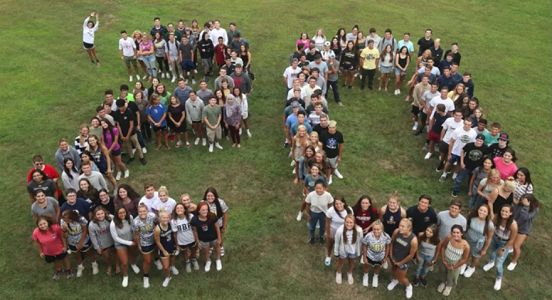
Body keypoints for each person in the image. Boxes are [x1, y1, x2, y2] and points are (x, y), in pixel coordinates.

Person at [482, 205, 518, 290]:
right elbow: (491, 225)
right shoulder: (497, 216)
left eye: (506, 212)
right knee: (491, 252)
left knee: (499, 264)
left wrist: (503, 249)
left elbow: (512, 240)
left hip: (504, 242)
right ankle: (491, 263)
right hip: (495, 238)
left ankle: (498, 278)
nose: (504, 213)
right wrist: (488, 235)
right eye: (503, 211)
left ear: (511, 213)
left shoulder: (513, 225)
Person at [61, 210, 98, 277]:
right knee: (76, 255)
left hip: (83, 240)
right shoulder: (63, 222)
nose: (66, 221)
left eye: (68, 220)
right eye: (65, 220)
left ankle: (94, 264)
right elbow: (64, 236)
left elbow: (85, 231)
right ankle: (80, 267)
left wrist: (81, 242)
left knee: (89, 253)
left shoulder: (81, 219)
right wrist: (64, 230)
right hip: (71, 242)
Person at [133, 204, 162, 288]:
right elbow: (137, 235)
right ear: (138, 212)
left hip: (154, 239)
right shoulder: (136, 222)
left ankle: (156, 260)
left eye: (144, 211)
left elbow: (158, 222)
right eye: (140, 212)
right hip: (144, 242)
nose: (142, 213)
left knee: (156, 251)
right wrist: (138, 245)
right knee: (147, 261)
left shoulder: (152, 216)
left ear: (147, 211)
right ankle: (145, 276)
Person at [387, 219, 418, 299]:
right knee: (394, 271)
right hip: (394, 257)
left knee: (401, 277)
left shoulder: (413, 240)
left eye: (403, 226)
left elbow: (411, 255)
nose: (400, 228)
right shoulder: (396, 231)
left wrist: (401, 262)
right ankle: (395, 280)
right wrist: (390, 255)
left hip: (403, 261)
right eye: (400, 225)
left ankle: (408, 286)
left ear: (409, 228)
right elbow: (392, 242)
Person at [110, 206, 140, 287]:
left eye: (124, 212)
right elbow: (115, 238)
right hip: (120, 243)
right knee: (124, 262)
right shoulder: (113, 223)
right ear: (116, 214)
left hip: (130, 239)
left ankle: (133, 264)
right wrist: (129, 243)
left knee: (132, 254)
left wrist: (134, 238)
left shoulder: (130, 217)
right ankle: (125, 276)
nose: (122, 214)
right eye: (120, 213)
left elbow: (133, 228)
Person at [437, 225, 470, 296]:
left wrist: (453, 267)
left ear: (461, 233)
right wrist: (443, 259)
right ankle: (443, 282)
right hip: (445, 258)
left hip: (456, 262)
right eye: (453, 232)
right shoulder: (449, 238)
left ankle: (449, 286)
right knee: (443, 271)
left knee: (452, 275)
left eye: (457, 233)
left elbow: (464, 260)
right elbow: (443, 248)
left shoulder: (466, 246)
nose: (455, 234)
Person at [463, 204, 494, 278]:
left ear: (487, 213)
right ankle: (463, 263)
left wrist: (484, 249)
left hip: (478, 244)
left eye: (484, 211)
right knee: (466, 253)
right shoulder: (472, 217)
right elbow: (467, 226)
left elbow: (489, 238)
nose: (482, 212)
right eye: (480, 210)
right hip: (468, 239)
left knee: (475, 256)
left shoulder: (489, 224)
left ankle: (471, 267)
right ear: (478, 210)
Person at [509, 194, 539, 270]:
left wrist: (526, 207)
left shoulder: (535, 209)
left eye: (525, 200)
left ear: (530, 202)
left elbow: (524, 217)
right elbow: (513, 213)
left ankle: (514, 262)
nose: (522, 201)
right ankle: (510, 248)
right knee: (510, 240)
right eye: (522, 199)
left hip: (523, 229)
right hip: (515, 226)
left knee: (516, 246)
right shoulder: (519, 204)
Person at [191, 202, 222, 271]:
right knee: (206, 251)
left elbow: (217, 227)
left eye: (206, 209)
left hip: (214, 237)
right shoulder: (194, 220)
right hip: (203, 239)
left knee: (217, 248)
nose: (205, 211)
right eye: (203, 210)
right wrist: (197, 241)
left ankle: (218, 260)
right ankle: (208, 261)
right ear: (198, 211)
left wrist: (219, 238)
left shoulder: (212, 216)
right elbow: (195, 231)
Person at [113, 100, 147, 165]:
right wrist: (122, 135)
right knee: (128, 146)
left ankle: (142, 157)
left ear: (124, 105)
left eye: (122, 107)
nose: (121, 109)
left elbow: (131, 126)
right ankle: (131, 157)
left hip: (132, 133)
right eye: (119, 107)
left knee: (137, 144)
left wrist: (128, 136)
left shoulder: (129, 112)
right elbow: (118, 125)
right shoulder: (116, 113)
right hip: (123, 134)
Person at [89, 206, 119, 276]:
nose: (100, 216)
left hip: (112, 240)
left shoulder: (110, 218)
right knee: (107, 256)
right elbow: (93, 237)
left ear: (105, 213)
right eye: (98, 214)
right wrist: (97, 247)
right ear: (95, 216)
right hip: (102, 243)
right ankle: (109, 265)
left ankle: (117, 264)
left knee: (115, 253)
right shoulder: (92, 225)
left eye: (102, 213)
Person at [334, 215, 363, 284]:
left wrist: (359, 251)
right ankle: (339, 273)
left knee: (352, 262)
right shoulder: (339, 231)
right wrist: (336, 252)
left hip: (353, 250)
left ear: (354, 223)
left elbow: (360, 242)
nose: (349, 224)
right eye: (347, 222)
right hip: (343, 250)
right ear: (344, 222)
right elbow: (337, 242)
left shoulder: (359, 230)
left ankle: (349, 273)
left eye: (351, 222)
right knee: (341, 262)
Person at [361, 220, 390, 287]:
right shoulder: (368, 236)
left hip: (380, 256)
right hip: (370, 255)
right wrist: (364, 257)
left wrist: (385, 257)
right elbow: (364, 246)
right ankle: (365, 275)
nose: (376, 231)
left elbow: (388, 246)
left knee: (378, 266)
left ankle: (375, 276)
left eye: (378, 229)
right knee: (367, 265)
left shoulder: (386, 236)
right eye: (374, 229)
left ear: (382, 229)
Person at [324, 196, 353, 266]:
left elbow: (352, 221)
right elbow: (327, 223)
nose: (339, 205)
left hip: (344, 230)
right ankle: (328, 256)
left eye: (340, 203)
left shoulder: (349, 210)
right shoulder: (331, 211)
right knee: (330, 243)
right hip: (333, 229)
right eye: (336, 204)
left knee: (342, 244)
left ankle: (339, 255)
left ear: (343, 203)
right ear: (334, 204)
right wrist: (328, 233)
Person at [172, 202, 200, 273]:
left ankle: (194, 260)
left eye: (181, 208)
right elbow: (174, 234)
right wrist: (177, 244)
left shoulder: (190, 216)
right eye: (177, 208)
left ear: (184, 209)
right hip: (182, 241)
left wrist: (197, 239)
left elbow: (195, 229)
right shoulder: (173, 221)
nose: (179, 209)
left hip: (192, 239)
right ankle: (187, 262)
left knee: (193, 250)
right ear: (175, 210)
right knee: (184, 252)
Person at [201, 187, 229, 256]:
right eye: (208, 196)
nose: (210, 197)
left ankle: (220, 247)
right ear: (205, 196)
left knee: (219, 236)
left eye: (212, 196)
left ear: (215, 196)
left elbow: (225, 214)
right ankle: (210, 247)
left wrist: (224, 226)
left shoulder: (220, 202)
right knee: (209, 237)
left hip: (219, 224)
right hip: (207, 225)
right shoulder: (202, 203)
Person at [305, 180, 334, 245]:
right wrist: (308, 214)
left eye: (320, 188)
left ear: (324, 188)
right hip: (313, 213)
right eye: (316, 188)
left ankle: (321, 237)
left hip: (323, 213)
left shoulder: (328, 195)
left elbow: (330, 205)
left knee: (323, 227)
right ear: (314, 188)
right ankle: (312, 237)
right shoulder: (311, 195)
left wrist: (329, 215)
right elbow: (307, 204)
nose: (318, 190)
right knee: (312, 227)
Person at [154, 211, 177, 287]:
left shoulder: (170, 224)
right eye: (164, 218)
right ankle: (168, 277)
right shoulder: (157, 229)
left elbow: (174, 235)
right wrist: (164, 251)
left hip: (171, 245)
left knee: (173, 256)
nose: (166, 219)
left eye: (167, 217)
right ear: (160, 218)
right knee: (166, 266)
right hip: (163, 248)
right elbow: (157, 242)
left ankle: (172, 266)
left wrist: (176, 245)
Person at [319, 121, 344, 185]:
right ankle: (326, 175)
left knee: (333, 166)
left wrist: (339, 156)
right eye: (330, 127)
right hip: (325, 154)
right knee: (326, 166)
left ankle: (331, 175)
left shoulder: (339, 134)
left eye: (333, 127)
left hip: (334, 155)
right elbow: (320, 144)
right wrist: (321, 153)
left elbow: (341, 145)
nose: (331, 129)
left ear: (335, 127)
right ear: (328, 127)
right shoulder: (323, 133)